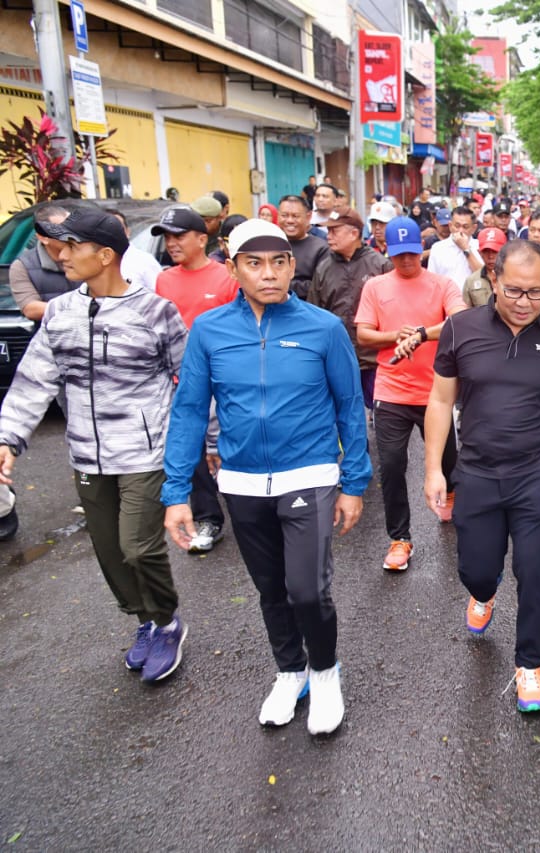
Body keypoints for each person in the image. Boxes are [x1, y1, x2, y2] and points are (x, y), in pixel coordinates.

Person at [163, 219, 370, 734]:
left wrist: (354, 483)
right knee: (271, 588)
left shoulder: (323, 328)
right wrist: (176, 492)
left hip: (309, 474)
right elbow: (189, 411)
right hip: (242, 482)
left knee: (308, 589)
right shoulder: (210, 330)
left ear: (292, 265)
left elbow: (350, 407)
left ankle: (324, 672)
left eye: (279, 262)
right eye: (254, 264)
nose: (269, 273)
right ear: (233, 269)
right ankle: (290, 671)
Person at [0, 208, 189, 683]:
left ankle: (167, 621)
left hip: (144, 452)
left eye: (71, 246)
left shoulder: (155, 312)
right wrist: (8, 438)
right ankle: (145, 620)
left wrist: (206, 442)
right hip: (86, 453)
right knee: (109, 551)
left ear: (104, 256)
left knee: (137, 547)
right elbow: (33, 380)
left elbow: (189, 381)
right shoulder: (60, 312)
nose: (60, 255)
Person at [423, 239, 540, 714]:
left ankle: (530, 665)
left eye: (536, 292)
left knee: (536, 569)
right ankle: (484, 592)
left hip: (537, 473)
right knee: (476, 568)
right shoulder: (460, 329)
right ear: (493, 280)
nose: (524, 302)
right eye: (514, 290)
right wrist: (433, 469)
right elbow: (440, 401)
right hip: (477, 471)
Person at [355, 217, 465, 570]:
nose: (406, 260)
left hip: (436, 393)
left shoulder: (442, 284)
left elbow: (461, 321)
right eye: (399, 254)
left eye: (412, 253)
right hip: (391, 390)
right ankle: (400, 538)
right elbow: (363, 335)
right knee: (391, 464)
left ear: (422, 250)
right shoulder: (375, 287)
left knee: (448, 460)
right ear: (387, 252)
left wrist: (421, 334)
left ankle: (451, 492)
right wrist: (395, 336)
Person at [152, 205, 240, 553]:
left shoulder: (225, 278)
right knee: (192, 450)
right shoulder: (164, 280)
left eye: (179, 236)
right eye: (167, 238)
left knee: (228, 448)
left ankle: (247, 510)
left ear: (202, 239)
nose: (172, 243)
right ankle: (208, 518)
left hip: (223, 380)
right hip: (180, 380)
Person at [308, 211, 393, 408]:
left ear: (354, 233)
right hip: (337, 360)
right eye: (328, 231)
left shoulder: (380, 265)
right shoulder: (323, 268)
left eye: (334, 231)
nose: (329, 236)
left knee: (380, 414)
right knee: (344, 413)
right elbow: (314, 313)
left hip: (374, 360)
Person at [10, 204, 75, 322]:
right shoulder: (23, 266)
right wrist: (79, 309)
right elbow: (31, 309)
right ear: (43, 237)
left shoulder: (87, 255)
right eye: (62, 230)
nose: (71, 234)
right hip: (52, 331)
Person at [276, 195, 328, 300]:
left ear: (308, 217)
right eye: (284, 215)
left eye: (295, 216)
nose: (289, 220)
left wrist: (280, 285)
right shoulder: (269, 245)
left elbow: (319, 286)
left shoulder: (321, 248)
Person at [105, 208, 163, 292]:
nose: (113, 234)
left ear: (128, 232)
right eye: (107, 229)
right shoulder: (93, 262)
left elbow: (161, 294)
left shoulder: (144, 262)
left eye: (117, 228)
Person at [426, 206, 482, 291]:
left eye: (465, 227)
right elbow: (432, 281)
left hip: (474, 298)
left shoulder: (479, 246)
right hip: (446, 298)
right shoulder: (438, 248)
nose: (460, 231)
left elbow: (483, 276)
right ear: (450, 225)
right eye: (457, 226)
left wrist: (466, 249)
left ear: (474, 228)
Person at [462, 227, 507, 308]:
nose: (490, 256)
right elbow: (466, 311)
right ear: (479, 253)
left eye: (495, 251)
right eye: (486, 251)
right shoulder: (471, 281)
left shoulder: (514, 278)